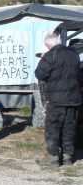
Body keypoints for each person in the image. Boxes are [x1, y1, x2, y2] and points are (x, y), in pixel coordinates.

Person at [34, 32, 81, 167]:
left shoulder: (50, 55)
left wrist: (43, 58)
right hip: (73, 98)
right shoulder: (74, 54)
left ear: (48, 45)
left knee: (53, 128)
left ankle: (53, 158)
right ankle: (68, 157)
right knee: (69, 128)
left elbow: (39, 74)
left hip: (56, 99)